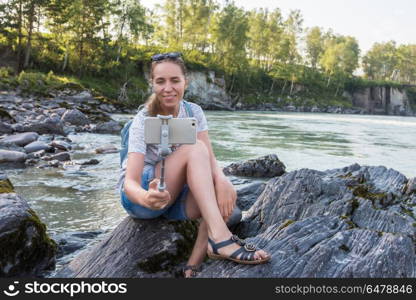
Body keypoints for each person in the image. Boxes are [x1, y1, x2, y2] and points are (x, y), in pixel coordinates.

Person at [119, 52, 271, 278]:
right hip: (143, 198)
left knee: (228, 210)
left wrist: (222, 181)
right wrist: (145, 198)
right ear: (152, 83)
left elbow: (208, 158)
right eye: (160, 81)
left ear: (185, 82)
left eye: (175, 80)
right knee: (195, 147)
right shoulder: (143, 119)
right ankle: (222, 239)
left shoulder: (193, 112)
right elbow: (129, 183)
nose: (168, 88)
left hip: (175, 201)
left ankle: (195, 263)